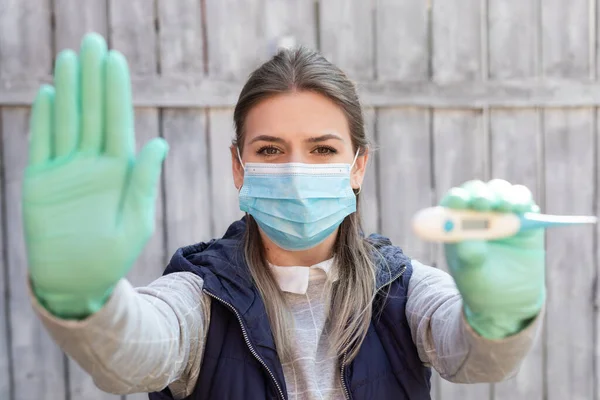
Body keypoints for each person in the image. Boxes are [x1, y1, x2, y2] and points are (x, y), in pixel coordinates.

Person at [23, 33, 545, 400]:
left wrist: (499, 318)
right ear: (238, 165)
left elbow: (474, 360)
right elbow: (135, 353)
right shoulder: (199, 294)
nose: (296, 170)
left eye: (322, 150)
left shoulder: (404, 288)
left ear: (358, 165)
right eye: (271, 150)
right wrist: (85, 302)